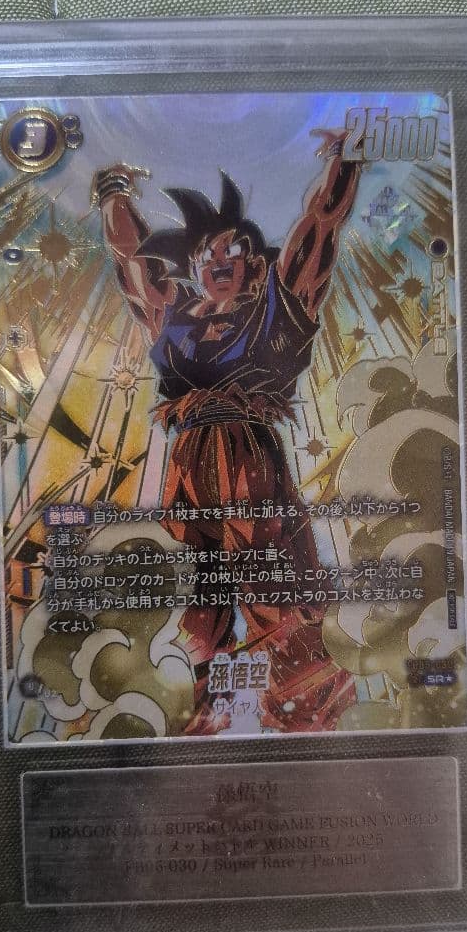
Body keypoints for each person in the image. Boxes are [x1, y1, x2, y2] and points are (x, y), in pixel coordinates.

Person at [92, 129, 363, 733]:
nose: (218, 259)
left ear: (254, 265)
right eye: (206, 253)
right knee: (193, 597)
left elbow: (319, 232)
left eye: (233, 250)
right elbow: (133, 265)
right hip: (187, 463)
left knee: (276, 585)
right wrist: (113, 194)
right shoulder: (174, 322)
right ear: (194, 267)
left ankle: (304, 713)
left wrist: (346, 160)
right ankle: (191, 716)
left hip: (249, 457)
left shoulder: (276, 311)